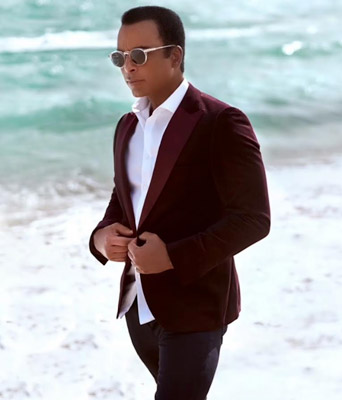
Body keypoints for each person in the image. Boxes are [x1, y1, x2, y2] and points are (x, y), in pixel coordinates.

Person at [88, 5, 271, 399]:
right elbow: (125, 199)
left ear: (175, 55)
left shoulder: (221, 122)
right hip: (138, 305)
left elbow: (253, 219)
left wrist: (173, 256)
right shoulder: (127, 126)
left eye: (140, 55)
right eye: (120, 57)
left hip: (197, 307)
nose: (128, 67)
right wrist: (101, 239)